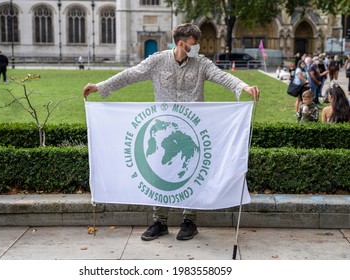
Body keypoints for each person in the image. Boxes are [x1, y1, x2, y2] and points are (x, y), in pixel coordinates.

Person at [82, 23, 260, 241]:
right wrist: (100, 86)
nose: (197, 48)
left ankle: (189, 221)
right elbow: (131, 75)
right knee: (160, 174)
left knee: (192, 174)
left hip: (192, 131)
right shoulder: (157, 61)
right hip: (163, 131)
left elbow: (222, 76)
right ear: (181, 43)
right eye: (194, 44)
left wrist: (244, 86)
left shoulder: (201, 64)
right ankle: (159, 222)